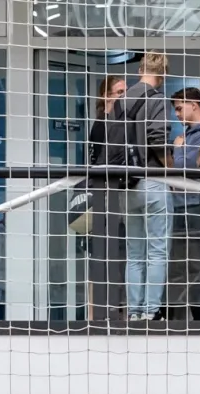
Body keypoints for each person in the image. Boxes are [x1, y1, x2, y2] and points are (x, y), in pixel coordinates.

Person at [110, 53, 171, 323]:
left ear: (139, 70)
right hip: (152, 179)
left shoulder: (121, 101)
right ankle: (151, 310)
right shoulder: (157, 99)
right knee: (157, 250)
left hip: (126, 183)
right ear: (162, 74)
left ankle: (133, 311)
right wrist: (171, 166)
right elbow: (158, 138)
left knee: (134, 252)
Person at [86, 74, 128, 320]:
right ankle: (98, 315)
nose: (125, 97)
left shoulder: (126, 121)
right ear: (107, 96)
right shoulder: (102, 124)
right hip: (107, 201)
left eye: (126, 92)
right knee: (104, 257)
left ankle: (120, 312)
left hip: (122, 201)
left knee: (122, 258)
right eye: (119, 92)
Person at [168, 87, 200, 322]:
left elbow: (191, 168)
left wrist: (178, 150)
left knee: (195, 265)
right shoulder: (186, 136)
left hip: (195, 206)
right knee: (177, 267)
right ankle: (176, 319)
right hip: (180, 206)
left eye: (180, 108)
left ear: (194, 105)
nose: (177, 114)